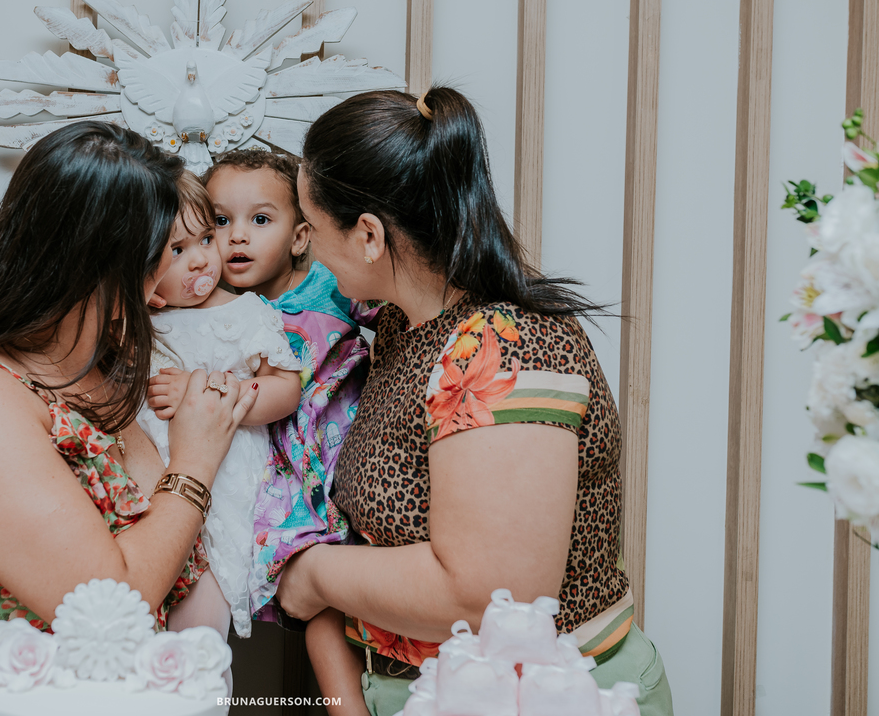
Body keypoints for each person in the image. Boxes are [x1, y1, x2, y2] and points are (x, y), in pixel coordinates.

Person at [276, 88, 674, 716]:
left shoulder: (504, 348)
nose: (307, 246)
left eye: (313, 226)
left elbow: (492, 598)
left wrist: (313, 575)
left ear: (369, 236)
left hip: (539, 696)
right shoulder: (404, 323)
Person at [0, 122, 258, 716]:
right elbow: (111, 603)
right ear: (102, 265)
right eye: (162, 257)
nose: (167, 285)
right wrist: (197, 462)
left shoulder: (107, 371)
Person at [202, 150, 378, 698]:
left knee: (373, 591)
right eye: (219, 221)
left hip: (343, 451)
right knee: (317, 606)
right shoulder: (212, 308)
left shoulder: (328, 284)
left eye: (260, 220)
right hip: (279, 471)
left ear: (300, 237)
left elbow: (395, 304)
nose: (236, 238)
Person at [138, 171, 302, 642]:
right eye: (177, 250)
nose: (201, 260)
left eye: (206, 238)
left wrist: (200, 388)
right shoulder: (140, 322)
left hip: (223, 484)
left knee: (198, 634)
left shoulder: (244, 312)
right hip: (150, 488)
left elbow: (283, 390)